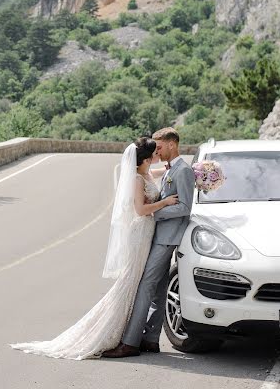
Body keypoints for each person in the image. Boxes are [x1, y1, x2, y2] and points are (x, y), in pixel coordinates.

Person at [10, 136, 179, 360]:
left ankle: (132, 334)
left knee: (138, 283)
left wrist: (181, 170)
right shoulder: (137, 180)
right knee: (131, 282)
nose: (159, 154)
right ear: (147, 159)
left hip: (148, 234)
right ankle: (116, 333)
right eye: (156, 152)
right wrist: (165, 203)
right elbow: (140, 210)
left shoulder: (145, 173)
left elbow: (160, 175)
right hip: (140, 235)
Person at [102, 127, 195, 358]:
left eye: (160, 146)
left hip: (166, 238)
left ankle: (131, 342)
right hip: (158, 235)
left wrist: (156, 213)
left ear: (172, 144)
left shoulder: (182, 171)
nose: (157, 151)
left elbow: (184, 207)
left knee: (145, 285)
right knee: (160, 289)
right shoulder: (168, 170)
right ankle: (151, 339)